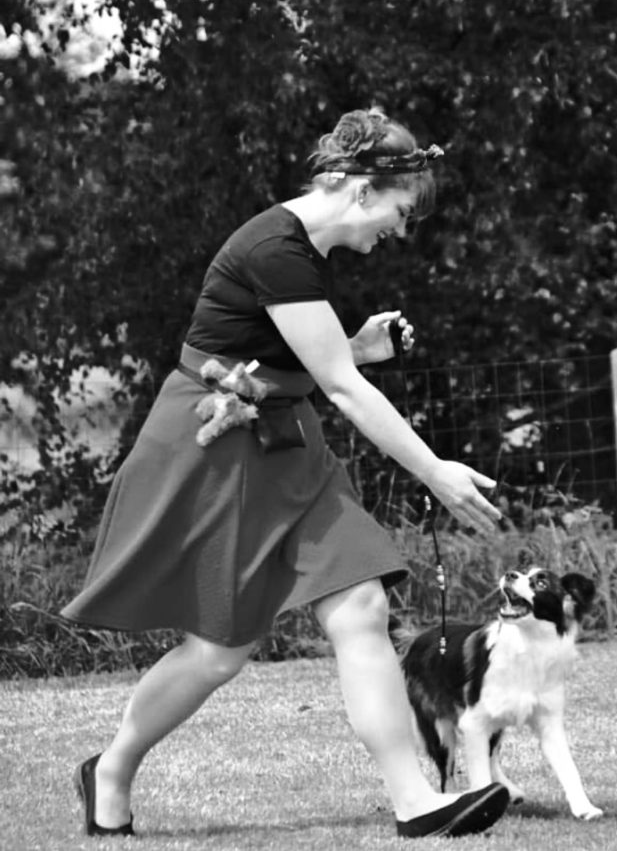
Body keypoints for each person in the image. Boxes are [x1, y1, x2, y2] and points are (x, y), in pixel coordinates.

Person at [62, 107, 509, 840]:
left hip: (289, 445)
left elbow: (296, 357)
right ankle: (110, 770)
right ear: (363, 191)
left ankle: (415, 801)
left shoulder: (305, 253)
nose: (396, 232)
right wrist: (434, 470)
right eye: (399, 213)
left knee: (361, 603)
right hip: (218, 449)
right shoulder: (277, 249)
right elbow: (341, 389)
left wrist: (355, 347)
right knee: (218, 653)